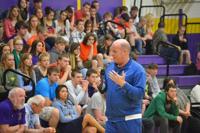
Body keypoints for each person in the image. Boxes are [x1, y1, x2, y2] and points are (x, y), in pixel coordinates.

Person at [104, 39, 146, 133]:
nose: (111, 54)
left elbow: (139, 95)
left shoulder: (138, 70)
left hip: (129, 120)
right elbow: (106, 90)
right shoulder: (109, 68)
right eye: (111, 51)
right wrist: (99, 86)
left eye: (114, 51)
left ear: (125, 52)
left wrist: (123, 84)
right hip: (111, 121)